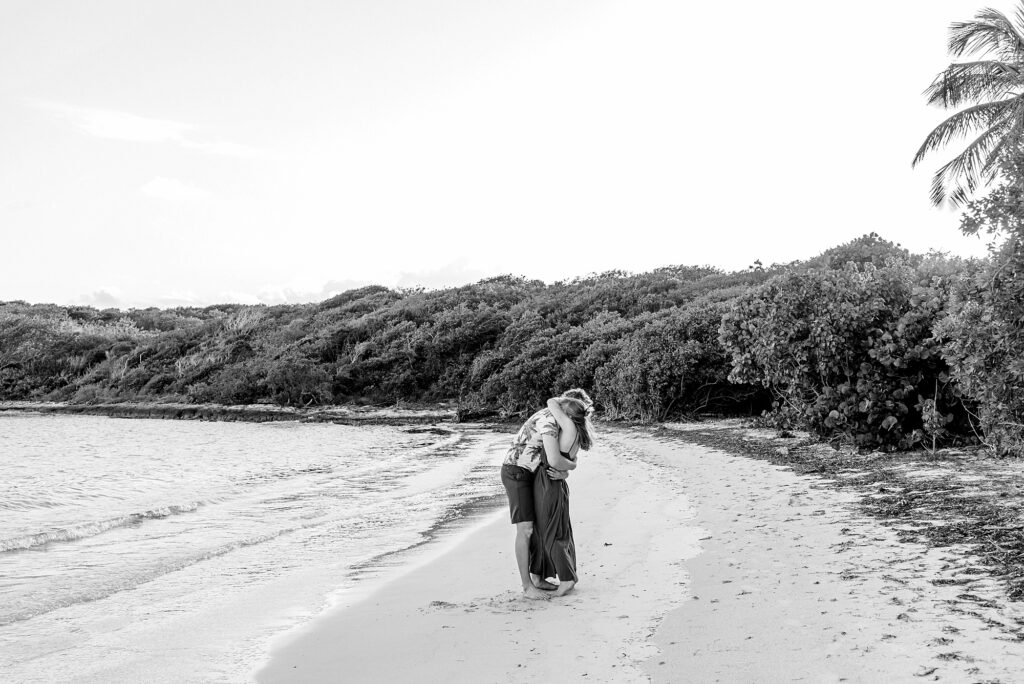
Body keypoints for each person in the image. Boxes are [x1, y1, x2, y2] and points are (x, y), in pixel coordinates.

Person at [499, 389, 594, 599]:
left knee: (538, 528)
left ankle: (538, 578)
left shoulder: (554, 416)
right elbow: (553, 460)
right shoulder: (550, 423)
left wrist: (567, 468)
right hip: (516, 473)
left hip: (530, 474)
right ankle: (527, 587)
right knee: (525, 530)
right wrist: (570, 467)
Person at [529, 394, 594, 597]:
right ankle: (547, 575)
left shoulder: (568, 426)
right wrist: (568, 470)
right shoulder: (575, 431)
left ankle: (566, 579)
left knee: (551, 532)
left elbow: (550, 402)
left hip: (548, 482)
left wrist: (561, 399)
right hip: (557, 482)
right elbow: (571, 462)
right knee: (556, 529)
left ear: (566, 415)